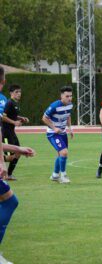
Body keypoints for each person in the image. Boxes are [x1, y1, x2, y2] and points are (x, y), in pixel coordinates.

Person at [0, 65, 36, 264]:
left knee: (9, 200)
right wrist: (2, 162)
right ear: (3, 83)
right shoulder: (3, 102)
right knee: (10, 201)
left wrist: (18, 150)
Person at [42, 86, 74, 184]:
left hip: (63, 133)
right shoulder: (54, 105)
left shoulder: (70, 105)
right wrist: (54, 128)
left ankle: (55, 175)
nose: (69, 98)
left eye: (71, 96)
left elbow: (68, 116)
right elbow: (44, 118)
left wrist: (70, 128)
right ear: (62, 96)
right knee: (64, 152)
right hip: (53, 134)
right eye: (67, 96)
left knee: (61, 154)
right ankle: (63, 176)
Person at [1, 84, 30, 180]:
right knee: (10, 157)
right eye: (16, 92)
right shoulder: (9, 103)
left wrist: (21, 118)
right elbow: (4, 117)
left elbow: (12, 115)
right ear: (11, 93)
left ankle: (9, 174)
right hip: (5, 133)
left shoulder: (15, 103)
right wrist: (14, 122)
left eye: (20, 92)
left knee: (18, 152)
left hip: (12, 132)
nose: (19, 94)